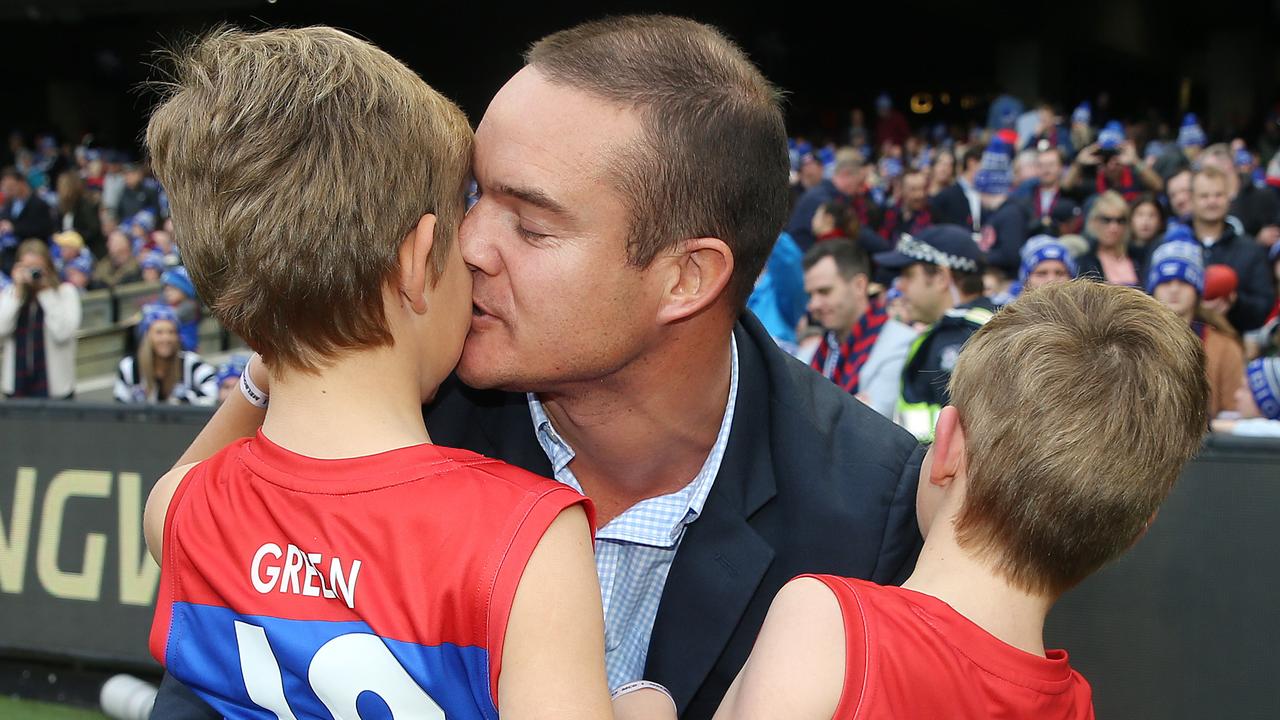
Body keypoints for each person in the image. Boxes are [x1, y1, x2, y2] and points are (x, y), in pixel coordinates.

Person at [150, 16, 924, 720]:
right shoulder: (390, 412)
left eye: (530, 224)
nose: (470, 245)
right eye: (472, 196)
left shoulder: (868, 513)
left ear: (687, 278)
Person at [140, 25, 677, 720]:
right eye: (461, 223)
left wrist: (268, 361)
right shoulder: (527, 535)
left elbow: (184, 479)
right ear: (419, 260)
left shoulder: (185, 511)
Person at [714, 280, 1208, 720]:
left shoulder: (830, 624)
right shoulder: (1076, 706)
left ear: (946, 445)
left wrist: (641, 700)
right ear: (1135, 530)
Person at [875, 225, 994, 440]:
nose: (899, 286)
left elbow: (968, 436)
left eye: (908, 275)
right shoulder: (986, 326)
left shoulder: (959, 338)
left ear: (940, 277)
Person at [801, 239, 910, 417]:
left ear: (859, 285)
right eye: (810, 294)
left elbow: (875, 422)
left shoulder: (901, 344)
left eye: (825, 291)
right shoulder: (810, 353)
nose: (813, 304)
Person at [1146, 239, 1244, 417]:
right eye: (1166, 282)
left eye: (1184, 282)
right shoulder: (1134, 340)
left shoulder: (1225, 347)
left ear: (1197, 290)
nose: (1174, 289)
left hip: (1210, 442)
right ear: (1153, 289)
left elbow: (1234, 412)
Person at [1189, 165, 1275, 332]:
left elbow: (1264, 306)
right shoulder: (1172, 246)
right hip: (1177, 347)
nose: (1212, 201)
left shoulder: (1250, 249)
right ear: (1192, 199)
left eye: (1218, 195)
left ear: (1229, 197)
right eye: (1204, 196)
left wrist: (1234, 302)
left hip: (1233, 343)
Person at [0, 239, 81, 398]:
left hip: (55, 389)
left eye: (37, 268)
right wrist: (17, 293)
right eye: (27, 268)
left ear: (48, 267)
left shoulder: (65, 293)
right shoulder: (11, 294)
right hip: (17, 387)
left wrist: (45, 292)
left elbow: (62, 333)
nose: (32, 273)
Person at [115, 304, 216, 405]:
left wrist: (182, 401)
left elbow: (213, 393)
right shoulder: (129, 367)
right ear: (146, 336)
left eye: (171, 332)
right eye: (159, 332)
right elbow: (120, 407)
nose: (166, 338)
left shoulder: (192, 363)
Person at [1076, 191, 1141, 285]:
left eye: (1120, 220)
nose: (1114, 227)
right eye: (1106, 220)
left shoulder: (1138, 257)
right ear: (1094, 222)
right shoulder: (1084, 263)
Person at [0, 168, 55, 274]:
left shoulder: (39, 204)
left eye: (11, 186)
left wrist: (14, 228)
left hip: (32, 253)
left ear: (22, 183)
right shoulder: (9, 205)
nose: (7, 189)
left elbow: (44, 229)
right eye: (5, 186)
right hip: (9, 255)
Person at [930, 146, 982, 230]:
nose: (944, 168)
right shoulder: (922, 192)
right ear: (933, 165)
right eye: (941, 163)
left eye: (949, 165)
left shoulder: (958, 195)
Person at [55, 170, 104, 257]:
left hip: (89, 250)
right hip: (68, 252)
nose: (61, 189)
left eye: (64, 186)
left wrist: (75, 237)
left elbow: (93, 230)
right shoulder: (62, 207)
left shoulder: (85, 205)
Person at [159, 266, 200, 351]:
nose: (168, 293)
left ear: (185, 290)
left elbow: (170, 317)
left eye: (173, 289)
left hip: (187, 345)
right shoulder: (166, 305)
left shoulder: (190, 305)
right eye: (166, 290)